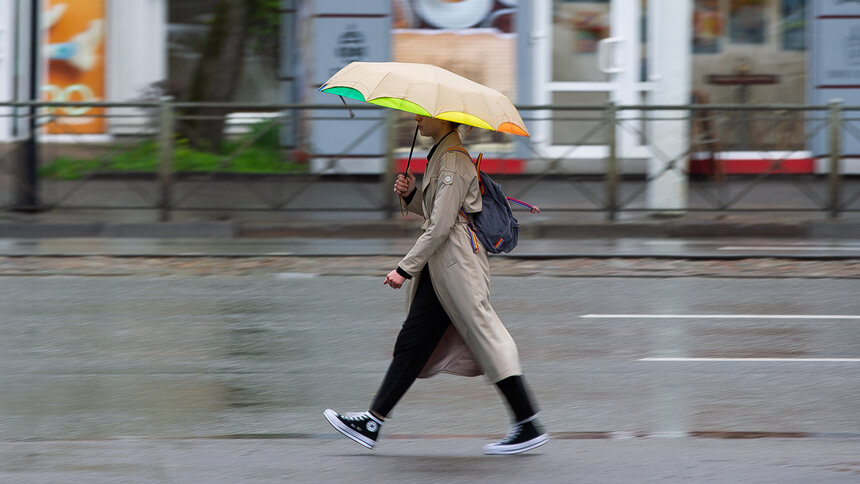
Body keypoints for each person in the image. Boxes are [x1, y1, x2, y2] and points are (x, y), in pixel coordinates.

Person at [324, 114, 548, 455]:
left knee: (485, 337)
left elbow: (442, 224)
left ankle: (528, 423)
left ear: (444, 121)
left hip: (455, 264)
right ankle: (373, 422)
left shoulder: (453, 161)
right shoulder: (442, 156)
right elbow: (437, 211)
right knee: (413, 342)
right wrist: (413, 194)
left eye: (423, 115)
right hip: (442, 265)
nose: (416, 119)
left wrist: (404, 268)